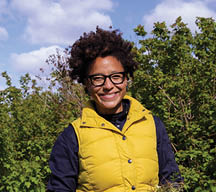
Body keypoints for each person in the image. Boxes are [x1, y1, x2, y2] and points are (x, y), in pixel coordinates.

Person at [47, 27, 183, 192]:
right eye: (98, 78)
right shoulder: (72, 136)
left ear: (126, 79)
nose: (108, 86)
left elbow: (173, 181)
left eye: (116, 76)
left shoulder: (153, 125)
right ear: (87, 84)